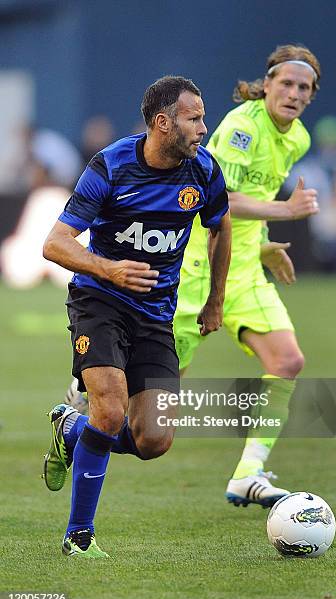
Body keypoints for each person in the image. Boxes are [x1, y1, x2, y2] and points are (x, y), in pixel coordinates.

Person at [42, 76, 231, 558]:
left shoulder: (204, 172)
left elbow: (220, 226)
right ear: (163, 123)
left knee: (154, 440)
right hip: (99, 302)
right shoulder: (110, 166)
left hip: (155, 315)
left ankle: (70, 429)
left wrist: (215, 300)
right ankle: (78, 537)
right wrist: (109, 268)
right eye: (194, 119)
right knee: (107, 409)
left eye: (203, 118)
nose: (203, 129)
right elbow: (55, 243)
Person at [173, 44, 321, 508]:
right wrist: (285, 210)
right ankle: (78, 418)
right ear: (268, 84)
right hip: (198, 267)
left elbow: (247, 209)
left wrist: (261, 247)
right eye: (287, 83)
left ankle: (248, 473)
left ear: (311, 97)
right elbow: (217, 198)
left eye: (304, 87)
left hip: (243, 270)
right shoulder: (241, 127)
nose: (294, 93)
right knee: (153, 416)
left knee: (287, 361)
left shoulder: (298, 138)